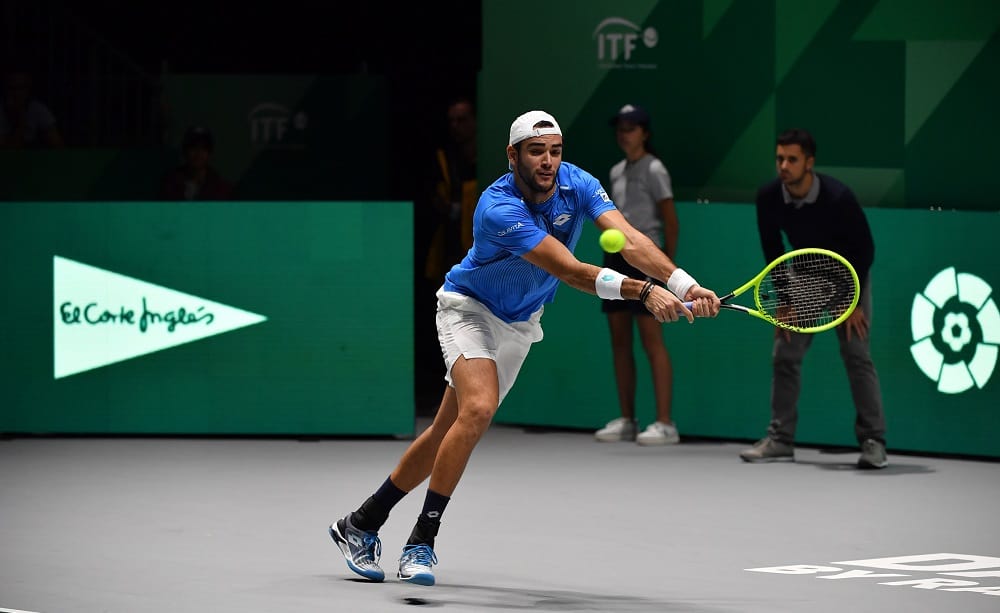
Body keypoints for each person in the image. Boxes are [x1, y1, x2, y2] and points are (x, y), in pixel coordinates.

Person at [329, 110, 721, 586]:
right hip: (468, 309)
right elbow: (570, 270)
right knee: (479, 409)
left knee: (445, 433)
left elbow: (632, 238)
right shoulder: (498, 207)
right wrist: (642, 291)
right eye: (537, 151)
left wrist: (684, 284)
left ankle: (362, 523)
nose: (548, 161)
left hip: (519, 324)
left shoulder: (578, 183)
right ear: (512, 155)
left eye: (555, 151)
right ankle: (421, 542)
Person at [740, 128, 888, 469]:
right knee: (785, 352)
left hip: (850, 273)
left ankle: (873, 441)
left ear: (809, 162)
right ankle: (780, 439)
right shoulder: (768, 197)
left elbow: (864, 250)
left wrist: (850, 303)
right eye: (779, 159)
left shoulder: (839, 198)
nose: (784, 166)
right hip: (805, 275)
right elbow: (773, 249)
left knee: (856, 352)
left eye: (792, 159)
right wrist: (787, 299)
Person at [594, 104, 681, 445]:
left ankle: (665, 423)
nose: (623, 132)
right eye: (620, 127)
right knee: (619, 340)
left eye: (631, 127)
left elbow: (671, 222)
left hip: (647, 259)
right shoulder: (615, 172)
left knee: (651, 341)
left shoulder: (655, 169)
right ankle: (628, 419)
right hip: (614, 258)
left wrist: (666, 271)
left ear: (644, 133)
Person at [422, 97, 478, 282]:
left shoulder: (491, 158)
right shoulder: (443, 160)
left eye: (461, 120)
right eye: (451, 121)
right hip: (452, 250)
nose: (455, 126)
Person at [160, 126, 232, 200]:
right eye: (193, 147)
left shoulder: (220, 188)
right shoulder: (170, 184)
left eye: (203, 148)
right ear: (185, 151)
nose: (198, 153)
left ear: (209, 154)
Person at [0, 71, 64, 148]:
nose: (17, 92)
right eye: (12, 88)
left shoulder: (37, 109)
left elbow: (58, 145)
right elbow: (7, 152)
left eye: (21, 87)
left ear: (28, 90)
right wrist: (20, 119)